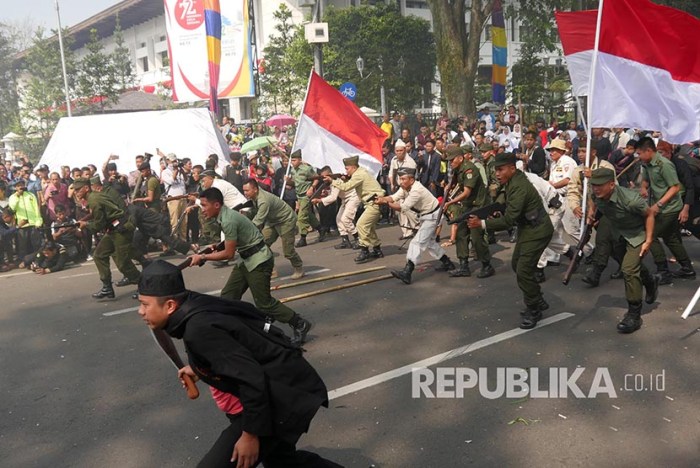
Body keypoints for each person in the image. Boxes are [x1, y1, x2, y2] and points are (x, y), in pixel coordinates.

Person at [136, 261, 339, 468]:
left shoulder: (199, 328)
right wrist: (199, 368)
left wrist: (251, 435)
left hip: (283, 395)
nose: (140, 311)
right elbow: (234, 352)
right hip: (280, 387)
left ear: (170, 305)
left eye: (145, 304)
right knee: (284, 462)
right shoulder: (194, 306)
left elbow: (251, 378)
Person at [186, 188, 312, 345]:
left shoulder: (228, 220)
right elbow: (234, 240)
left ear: (217, 204)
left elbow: (229, 254)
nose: (202, 209)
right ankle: (234, 331)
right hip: (247, 259)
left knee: (264, 303)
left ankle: (299, 323)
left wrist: (203, 256)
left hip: (259, 261)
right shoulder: (224, 215)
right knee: (228, 297)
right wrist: (217, 246)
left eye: (204, 205)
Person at [467, 153, 553, 329]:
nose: (497, 174)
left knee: (523, 270)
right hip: (528, 229)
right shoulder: (512, 181)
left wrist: (481, 223)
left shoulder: (519, 186)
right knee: (516, 264)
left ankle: (534, 309)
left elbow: (509, 221)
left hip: (537, 230)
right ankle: (537, 298)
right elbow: (505, 203)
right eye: (496, 170)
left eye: (501, 169)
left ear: (512, 169)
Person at [588, 168, 659, 333]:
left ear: (612, 184)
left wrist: (648, 241)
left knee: (628, 270)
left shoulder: (631, 200)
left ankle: (634, 314)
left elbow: (649, 215)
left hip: (636, 235)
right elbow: (595, 201)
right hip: (618, 233)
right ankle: (650, 280)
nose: (596, 188)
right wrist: (592, 213)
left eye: (600, 185)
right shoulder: (597, 195)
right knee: (628, 265)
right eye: (593, 185)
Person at [378, 168, 454, 284]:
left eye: (403, 179)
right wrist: (382, 199)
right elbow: (394, 197)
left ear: (412, 180)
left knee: (417, 242)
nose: (401, 181)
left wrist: (385, 203)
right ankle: (448, 264)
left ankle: (407, 272)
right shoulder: (405, 187)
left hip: (432, 217)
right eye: (400, 178)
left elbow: (402, 207)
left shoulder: (416, 190)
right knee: (430, 243)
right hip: (426, 216)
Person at [638, 137, 696, 283]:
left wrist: (659, 205)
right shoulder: (647, 164)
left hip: (669, 208)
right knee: (671, 238)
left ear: (649, 151)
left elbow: (675, 187)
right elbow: (646, 180)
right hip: (660, 206)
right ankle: (687, 268)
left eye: (640, 153)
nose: (638, 156)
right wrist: (644, 187)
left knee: (650, 235)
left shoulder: (664, 164)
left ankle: (663, 271)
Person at [74, 178, 141, 299]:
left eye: (78, 189)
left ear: (86, 188)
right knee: (99, 255)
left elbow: (98, 225)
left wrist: (86, 225)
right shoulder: (93, 198)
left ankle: (144, 286)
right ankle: (107, 288)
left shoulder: (94, 200)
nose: (76, 192)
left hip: (121, 229)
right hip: (113, 229)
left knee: (122, 263)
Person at [443, 146, 494, 278]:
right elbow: (457, 184)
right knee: (461, 233)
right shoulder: (458, 169)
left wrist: (450, 202)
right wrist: (450, 187)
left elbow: (466, 192)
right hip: (467, 206)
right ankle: (463, 265)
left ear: (460, 158)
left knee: (476, 236)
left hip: (478, 206)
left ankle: (487, 265)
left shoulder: (470, 169)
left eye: (452, 160)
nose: (450, 163)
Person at [326, 155, 385, 263]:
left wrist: (332, 181)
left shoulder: (359, 175)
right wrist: (346, 178)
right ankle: (377, 249)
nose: (346, 170)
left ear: (353, 167)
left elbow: (346, 187)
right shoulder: (360, 172)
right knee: (369, 228)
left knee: (361, 225)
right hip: (371, 203)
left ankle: (364, 250)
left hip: (374, 203)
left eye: (347, 168)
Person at [243, 179, 304, 280]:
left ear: (255, 189)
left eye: (247, 190)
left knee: (288, 251)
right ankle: (271, 270)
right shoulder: (254, 197)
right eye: (244, 190)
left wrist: (245, 231)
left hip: (286, 220)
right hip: (272, 221)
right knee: (262, 245)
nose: (245, 193)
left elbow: (258, 220)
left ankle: (299, 268)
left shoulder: (263, 200)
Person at [313, 168, 361, 250]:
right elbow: (333, 193)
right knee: (339, 219)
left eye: (325, 177)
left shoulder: (337, 181)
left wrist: (320, 200)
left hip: (353, 197)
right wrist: (326, 193)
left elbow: (333, 197)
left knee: (346, 219)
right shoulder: (332, 181)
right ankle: (345, 240)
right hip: (345, 199)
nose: (324, 179)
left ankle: (358, 239)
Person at [288, 150, 322, 247]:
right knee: (308, 214)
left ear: (299, 160)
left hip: (307, 195)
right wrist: (288, 181)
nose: (292, 162)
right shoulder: (293, 170)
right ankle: (320, 228)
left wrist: (312, 188)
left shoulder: (307, 169)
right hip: (299, 195)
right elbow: (295, 183)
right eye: (292, 160)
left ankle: (303, 238)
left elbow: (316, 178)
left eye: (294, 160)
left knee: (301, 217)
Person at [7, 179, 43, 260]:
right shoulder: (12, 197)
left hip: (33, 223)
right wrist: (17, 196)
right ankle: (24, 261)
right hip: (22, 225)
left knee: (35, 244)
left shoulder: (31, 195)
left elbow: (36, 209)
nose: (20, 187)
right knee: (23, 245)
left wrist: (38, 221)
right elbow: (12, 208)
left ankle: (38, 259)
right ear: (15, 187)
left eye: (21, 185)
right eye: (18, 186)